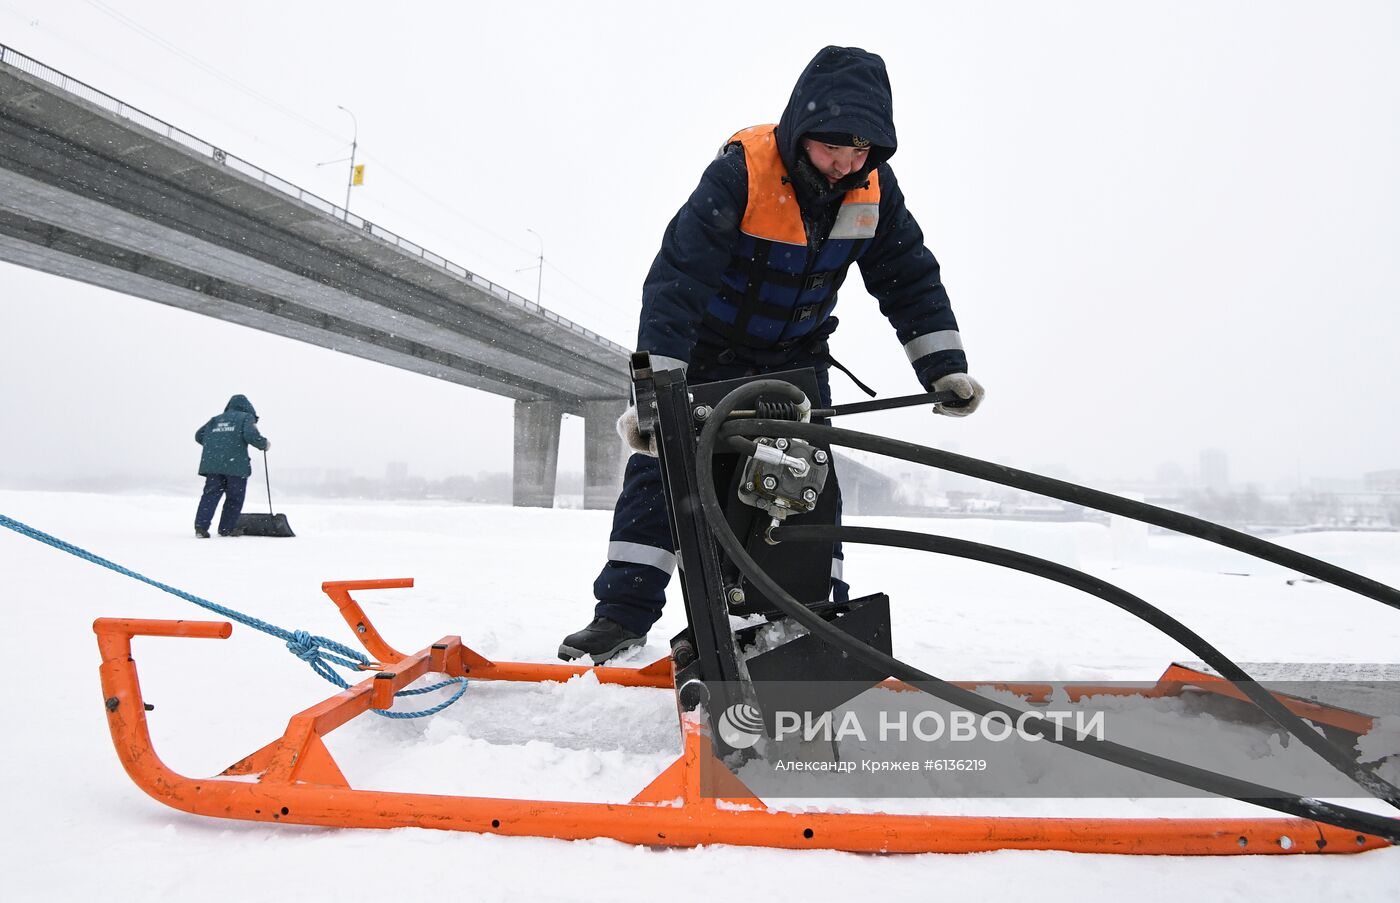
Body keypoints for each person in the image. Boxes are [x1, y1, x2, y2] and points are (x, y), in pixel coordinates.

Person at [559, 46, 985, 663]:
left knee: (806, 490)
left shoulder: (872, 191)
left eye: (861, 152)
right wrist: (655, 400)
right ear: (802, 132)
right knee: (663, 478)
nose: (846, 165)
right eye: (834, 148)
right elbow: (676, 285)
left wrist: (942, 366)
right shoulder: (741, 173)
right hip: (709, 353)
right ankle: (620, 616)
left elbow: (908, 276)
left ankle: (804, 620)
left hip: (796, 362)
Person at [193, 394, 270, 538]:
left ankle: (201, 528)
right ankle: (226, 529)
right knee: (234, 497)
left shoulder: (215, 420)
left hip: (213, 466)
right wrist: (264, 444)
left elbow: (199, 435)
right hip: (236, 466)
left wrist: (217, 445)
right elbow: (251, 435)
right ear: (247, 407)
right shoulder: (246, 418)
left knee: (210, 496)